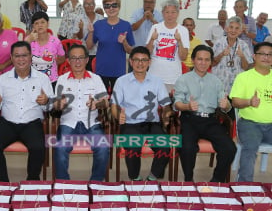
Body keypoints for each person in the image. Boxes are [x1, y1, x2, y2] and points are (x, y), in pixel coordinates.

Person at [230, 42, 272, 183]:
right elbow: (235, 102)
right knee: (250, 149)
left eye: (270, 54)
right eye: (262, 54)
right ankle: (244, 186)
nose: (266, 57)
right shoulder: (243, 77)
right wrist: (249, 102)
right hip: (249, 123)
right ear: (254, 56)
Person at [0, 41, 54, 182]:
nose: (21, 59)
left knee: (38, 147)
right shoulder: (3, 79)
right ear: (11, 58)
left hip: (32, 123)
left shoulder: (43, 79)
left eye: (24, 55)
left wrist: (46, 102)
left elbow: (50, 107)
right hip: (7, 123)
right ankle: (2, 183)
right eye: (17, 56)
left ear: (31, 57)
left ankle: (32, 181)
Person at [174, 45, 236, 182]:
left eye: (207, 60)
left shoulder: (216, 81)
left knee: (229, 148)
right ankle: (189, 180)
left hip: (210, 121)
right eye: (200, 59)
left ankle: (216, 181)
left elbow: (225, 104)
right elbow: (177, 103)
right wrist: (187, 106)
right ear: (193, 60)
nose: (203, 63)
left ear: (211, 61)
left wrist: (226, 106)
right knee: (187, 148)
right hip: (189, 119)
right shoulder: (183, 79)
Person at [111, 46, 172, 181]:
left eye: (144, 60)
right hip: (130, 123)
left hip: (152, 123)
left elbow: (166, 104)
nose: (140, 63)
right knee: (133, 147)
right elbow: (114, 105)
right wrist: (117, 116)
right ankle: (135, 178)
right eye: (137, 60)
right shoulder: (122, 81)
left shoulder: (157, 81)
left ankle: (152, 177)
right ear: (131, 62)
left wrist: (167, 115)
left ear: (149, 62)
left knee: (165, 147)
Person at [53, 44, 110, 181]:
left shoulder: (96, 79)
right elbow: (55, 104)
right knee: (60, 149)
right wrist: (59, 105)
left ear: (87, 60)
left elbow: (106, 102)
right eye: (73, 58)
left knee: (103, 149)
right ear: (68, 61)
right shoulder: (62, 80)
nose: (77, 62)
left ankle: (95, 184)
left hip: (92, 124)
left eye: (81, 58)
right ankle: (63, 184)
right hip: (68, 123)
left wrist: (97, 103)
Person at [86, 0, 134, 91]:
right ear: (104, 8)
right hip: (101, 70)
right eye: (107, 6)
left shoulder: (126, 25)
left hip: (118, 70)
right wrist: (91, 33)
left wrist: (124, 42)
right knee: (101, 101)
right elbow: (89, 46)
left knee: (117, 101)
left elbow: (130, 51)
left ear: (119, 7)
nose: (111, 8)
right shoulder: (98, 25)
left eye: (114, 5)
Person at [145, 0, 189, 91]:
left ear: (178, 13)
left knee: (170, 104)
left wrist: (179, 41)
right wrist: (152, 39)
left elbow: (184, 57)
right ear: (162, 13)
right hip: (154, 76)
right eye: (167, 12)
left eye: (173, 12)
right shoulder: (155, 27)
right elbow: (147, 52)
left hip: (173, 79)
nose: (170, 15)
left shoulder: (183, 30)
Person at [211, 16, 253, 99]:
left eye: (237, 28)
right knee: (219, 110)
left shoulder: (243, 45)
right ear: (226, 28)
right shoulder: (218, 43)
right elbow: (212, 63)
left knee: (234, 110)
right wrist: (222, 54)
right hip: (219, 83)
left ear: (240, 31)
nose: (233, 30)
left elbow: (246, 67)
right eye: (231, 27)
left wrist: (242, 57)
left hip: (236, 85)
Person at [26, 11, 65, 85]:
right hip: (32, 81)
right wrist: (28, 41)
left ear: (48, 23)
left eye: (42, 22)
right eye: (36, 23)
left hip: (51, 81)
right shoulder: (29, 40)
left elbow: (62, 58)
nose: (40, 25)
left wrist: (51, 63)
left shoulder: (55, 41)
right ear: (33, 26)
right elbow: (21, 56)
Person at [79, 0, 104, 70]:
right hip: (84, 52)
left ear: (94, 5)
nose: (89, 6)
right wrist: (80, 28)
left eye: (91, 4)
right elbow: (79, 37)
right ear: (83, 6)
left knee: (98, 75)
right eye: (86, 4)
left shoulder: (101, 18)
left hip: (98, 52)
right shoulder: (79, 18)